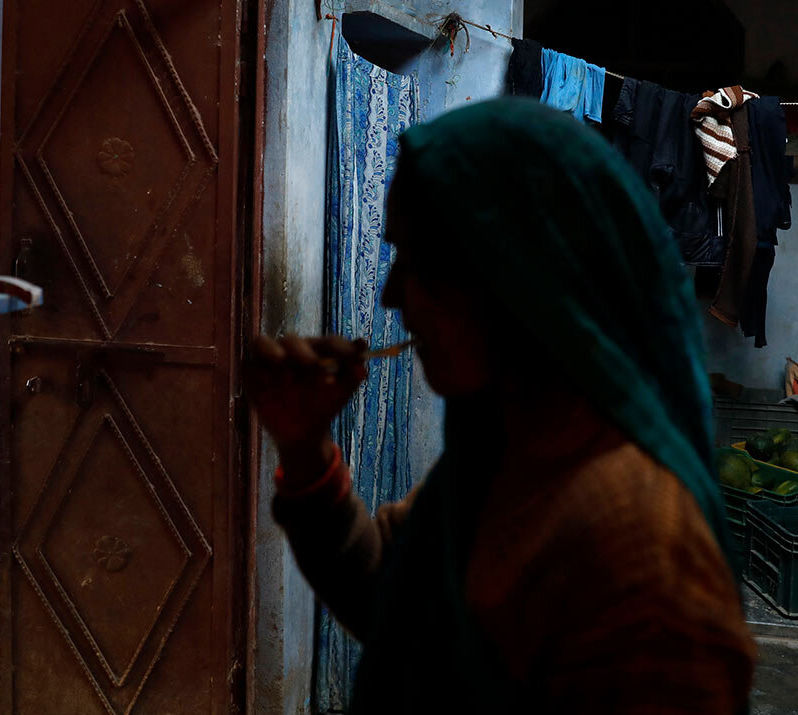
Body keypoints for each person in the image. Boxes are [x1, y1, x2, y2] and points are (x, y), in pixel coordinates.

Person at [249, 98, 755, 714]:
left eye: (420, 265)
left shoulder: (643, 553)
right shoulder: (504, 451)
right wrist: (304, 449)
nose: (389, 296)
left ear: (523, 282)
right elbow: (399, 597)